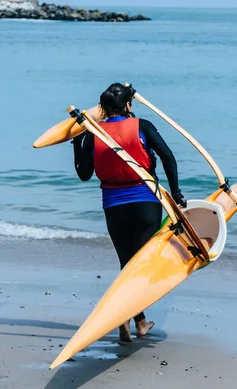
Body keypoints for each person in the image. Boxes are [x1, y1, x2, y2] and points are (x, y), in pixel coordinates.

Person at [71, 83, 187, 342]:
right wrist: (176, 193)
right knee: (143, 263)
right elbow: (168, 158)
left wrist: (77, 143)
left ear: (102, 110)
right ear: (128, 105)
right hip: (146, 201)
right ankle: (134, 317)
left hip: (114, 204)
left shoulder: (94, 134)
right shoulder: (142, 126)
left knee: (127, 264)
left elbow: (84, 174)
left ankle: (136, 319)